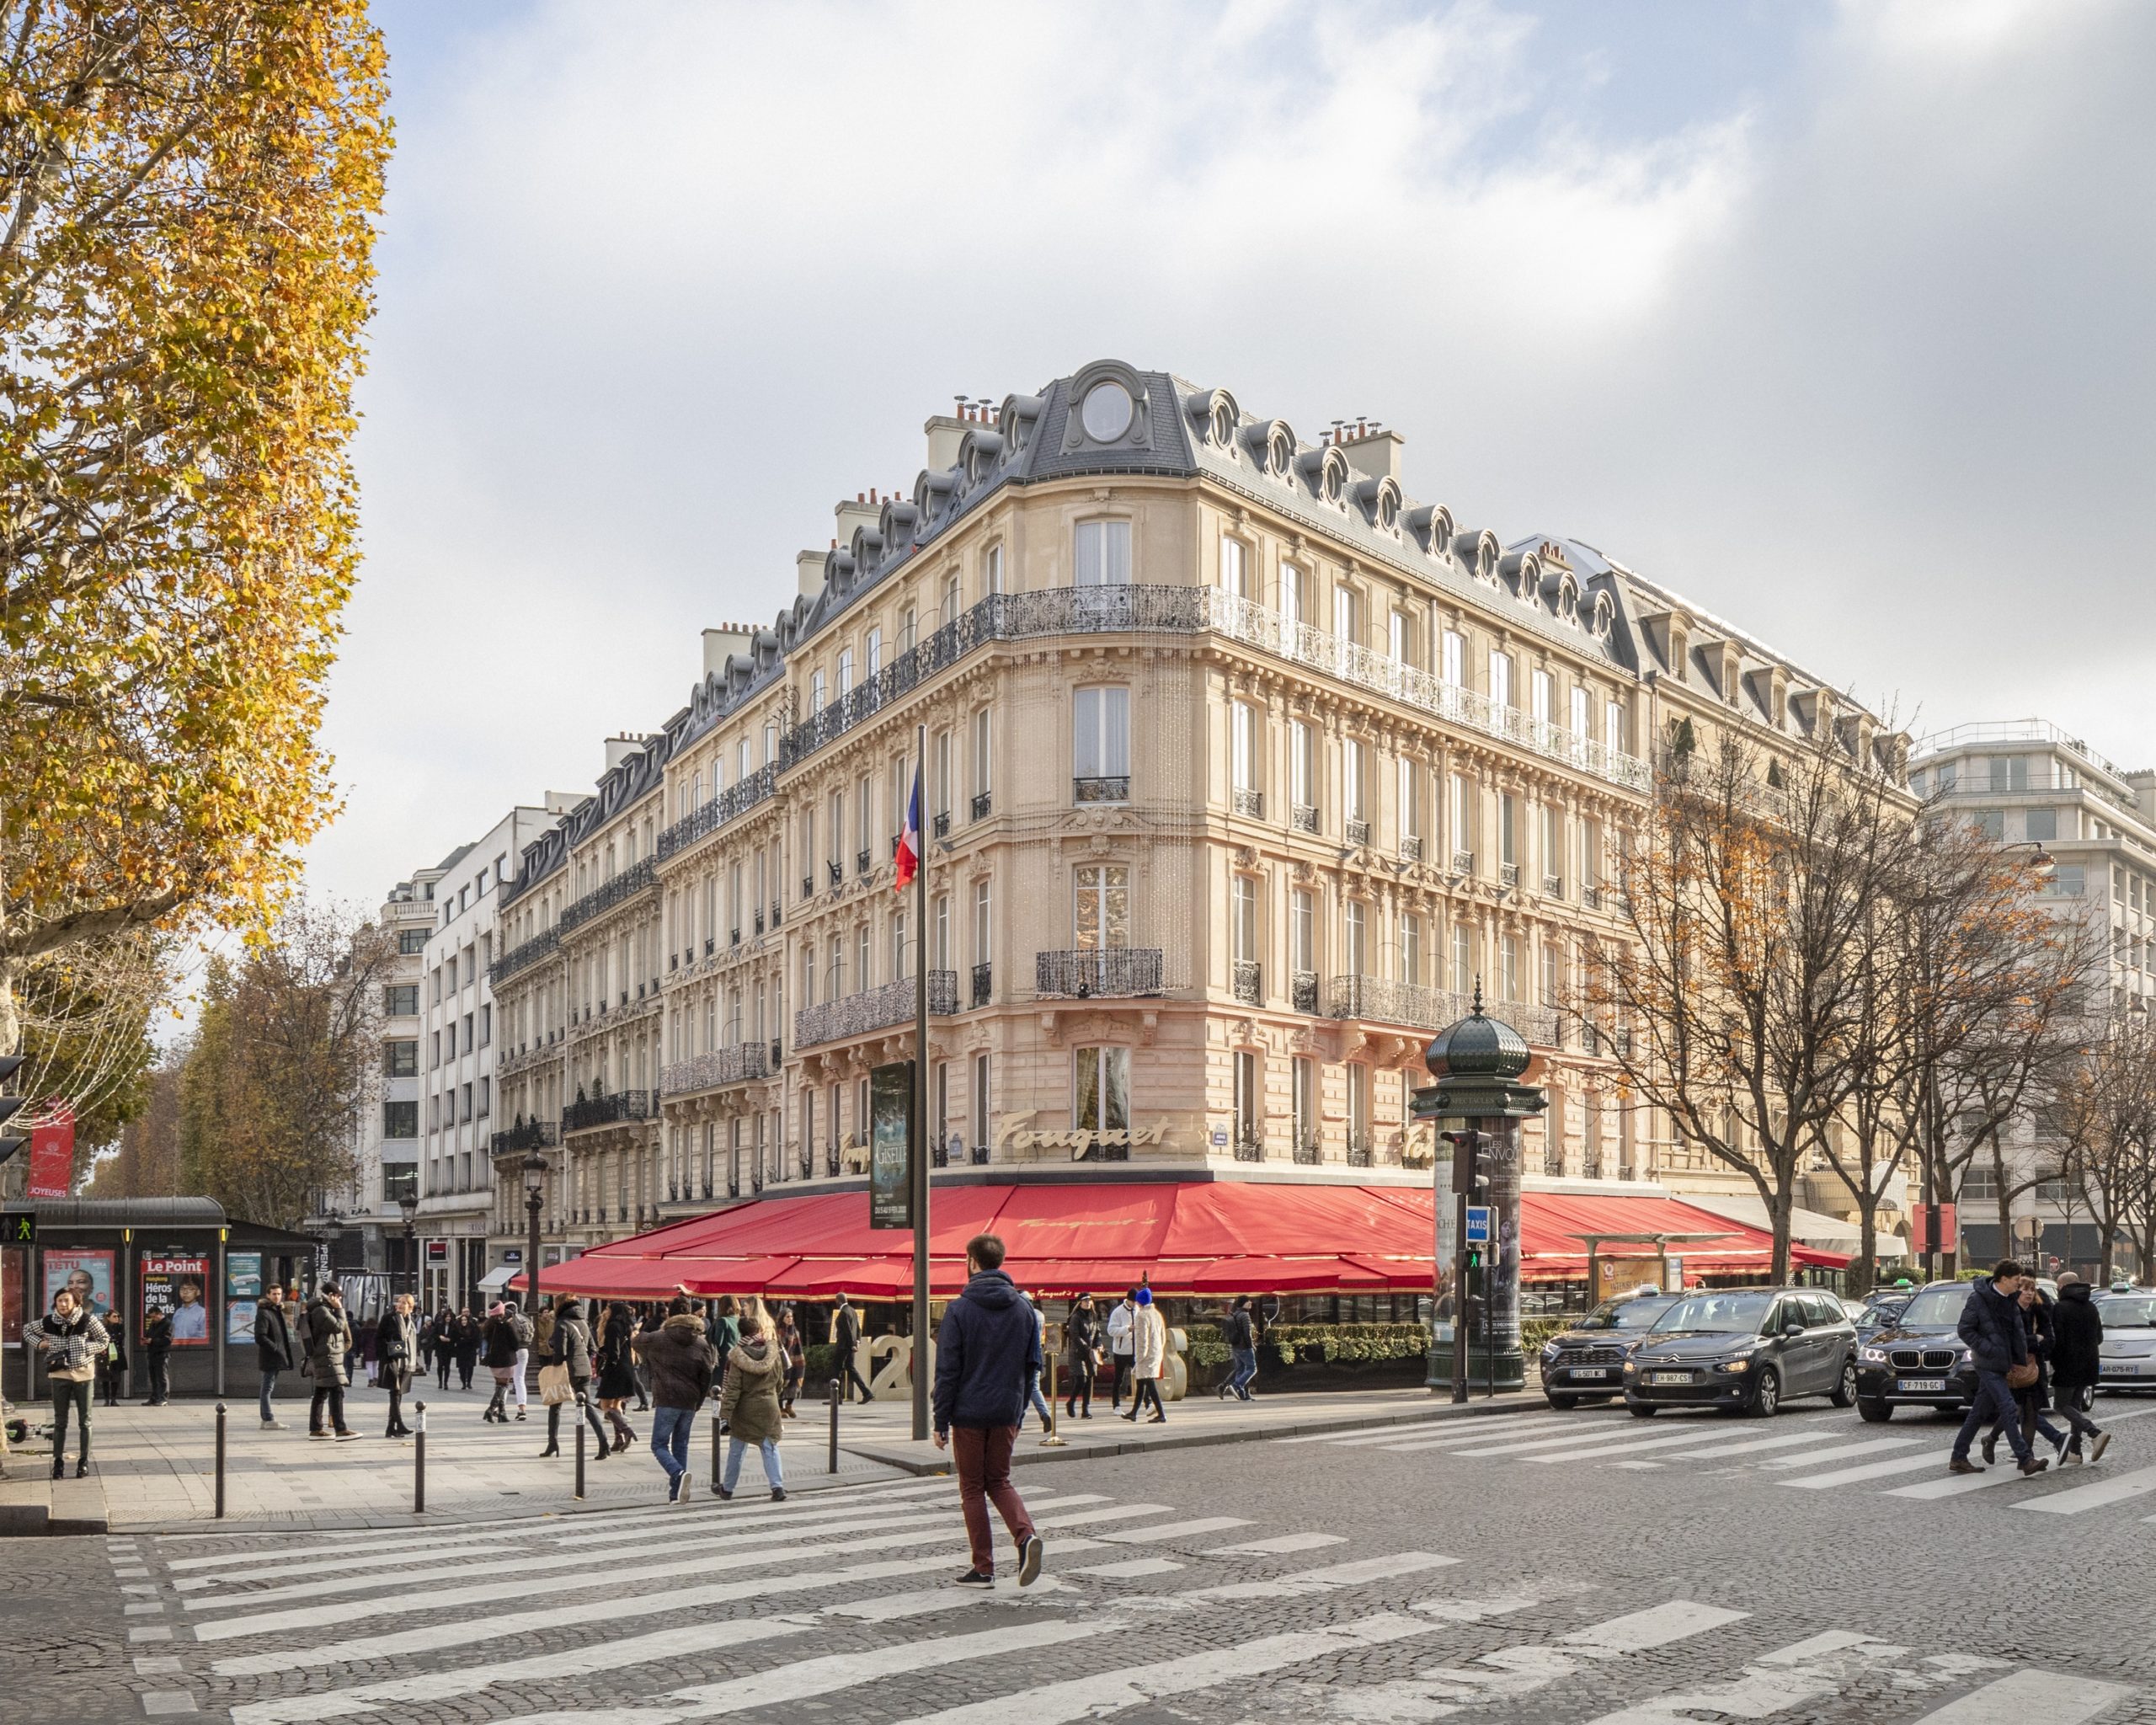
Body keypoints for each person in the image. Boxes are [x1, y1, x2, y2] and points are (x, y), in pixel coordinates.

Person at [931, 1233, 1043, 1589]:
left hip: (969, 1412)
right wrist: (1020, 1413)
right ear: (1001, 1262)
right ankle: (1026, 1538)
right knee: (1000, 1480)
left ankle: (983, 1567)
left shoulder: (960, 1309)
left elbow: (948, 1370)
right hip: (1006, 1410)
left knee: (972, 1488)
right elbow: (1032, 1367)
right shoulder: (1024, 1308)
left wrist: (940, 1420)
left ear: (972, 1262)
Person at [1950, 1261, 2045, 1477]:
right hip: (1987, 1363)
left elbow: (2015, 1331)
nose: (2019, 1285)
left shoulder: (2010, 1299)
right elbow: (1965, 1329)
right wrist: (1989, 1349)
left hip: (2003, 1363)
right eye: (2016, 1281)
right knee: (2009, 1407)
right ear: (2003, 1279)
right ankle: (2025, 1458)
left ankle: (1958, 1456)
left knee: (1978, 1413)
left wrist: (2017, 1357)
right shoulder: (1979, 1299)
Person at [633, 1295, 718, 1503]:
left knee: (659, 1445)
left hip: (667, 1397)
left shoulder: (658, 1338)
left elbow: (636, 1341)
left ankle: (678, 1474)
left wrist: (640, 1330)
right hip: (690, 1400)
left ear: (669, 1315)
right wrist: (698, 1400)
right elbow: (707, 1374)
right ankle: (675, 1493)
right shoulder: (701, 1343)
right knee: (681, 1444)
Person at [24, 1286, 109, 1479]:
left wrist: (85, 1347)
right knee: (60, 1422)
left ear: (76, 1303)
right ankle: (58, 1463)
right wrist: (40, 1343)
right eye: (59, 1300)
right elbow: (27, 1330)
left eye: (66, 1301)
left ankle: (83, 1462)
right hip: (59, 1374)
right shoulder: (48, 1322)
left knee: (85, 1421)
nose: (62, 1304)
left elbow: (104, 1340)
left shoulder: (88, 1320)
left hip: (83, 1374)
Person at [1983, 1280, 2070, 1465]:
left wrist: (2034, 1342)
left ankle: (2026, 1457)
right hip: (2013, 1368)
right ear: (2016, 1291)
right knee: (2015, 1409)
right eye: (2025, 1290)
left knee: (2030, 1411)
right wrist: (2034, 1339)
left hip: (2033, 1368)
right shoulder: (2009, 1311)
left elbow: (2049, 1340)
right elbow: (2011, 1341)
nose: (2029, 1294)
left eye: (2032, 1290)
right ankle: (1992, 1439)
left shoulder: (2039, 1312)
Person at [716, 1313, 787, 1502]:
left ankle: (728, 1488)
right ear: (759, 1330)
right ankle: (777, 1487)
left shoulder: (737, 1357)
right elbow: (780, 1382)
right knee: (770, 1446)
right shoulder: (773, 1353)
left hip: (745, 1408)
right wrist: (772, 1394)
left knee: (737, 1449)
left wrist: (725, 1414)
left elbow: (733, 1389)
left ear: (741, 1332)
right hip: (769, 1404)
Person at [2050, 1272, 2111, 1465]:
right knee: (2075, 1405)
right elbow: (2099, 1337)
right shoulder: (2092, 1307)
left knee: (2060, 1405)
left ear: (2062, 1287)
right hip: (2089, 1363)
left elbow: (2056, 1339)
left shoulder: (2060, 1308)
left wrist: (2052, 1359)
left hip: (2068, 1364)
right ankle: (2075, 1452)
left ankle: (2094, 1432)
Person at [540, 1296, 611, 1460]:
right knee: (587, 1406)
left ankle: (553, 1443)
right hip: (584, 1369)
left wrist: (555, 1359)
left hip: (567, 1370)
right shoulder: (583, 1322)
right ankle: (603, 1442)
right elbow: (593, 1348)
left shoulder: (562, 1324)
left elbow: (560, 1352)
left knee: (555, 1405)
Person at [299, 1280, 360, 1442]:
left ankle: (316, 1429)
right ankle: (341, 1429)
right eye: (339, 1296)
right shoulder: (321, 1311)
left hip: (329, 1356)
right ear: (332, 1296)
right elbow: (338, 1327)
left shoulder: (323, 1309)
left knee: (321, 1392)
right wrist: (340, 1309)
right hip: (327, 1357)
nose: (340, 1300)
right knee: (337, 1391)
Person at [595, 1300, 640, 1454]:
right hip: (627, 1366)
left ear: (613, 1311)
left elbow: (614, 1350)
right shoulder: (626, 1326)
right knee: (617, 1406)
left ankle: (626, 1431)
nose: (605, 1311)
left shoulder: (613, 1325)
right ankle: (618, 1439)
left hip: (615, 1368)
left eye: (607, 1308)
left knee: (605, 1406)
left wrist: (608, 1358)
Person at [252, 1284, 295, 1429]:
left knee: (267, 1387)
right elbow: (260, 1336)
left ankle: (266, 1419)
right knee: (267, 1388)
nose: (277, 1297)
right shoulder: (265, 1312)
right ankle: (268, 1418)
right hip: (270, 1357)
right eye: (274, 1294)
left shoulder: (276, 1311)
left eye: (279, 1294)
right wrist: (275, 1348)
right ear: (268, 1295)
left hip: (275, 1356)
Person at [1123, 1286, 1168, 1423]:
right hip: (1156, 1352)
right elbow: (1163, 1335)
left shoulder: (1141, 1316)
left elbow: (1142, 1340)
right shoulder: (1156, 1314)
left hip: (1146, 1355)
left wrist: (1139, 1357)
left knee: (1149, 1383)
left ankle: (1161, 1414)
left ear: (1140, 1302)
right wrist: (1160, 1349)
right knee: (1141, 1383)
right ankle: (1134, 1412)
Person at [378, 1292, 419, 1439]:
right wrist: (388, 1349)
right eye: (399, 1302)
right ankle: (400, 1424)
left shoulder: (411, 1321)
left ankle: (390, 1428)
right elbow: (379, 1337)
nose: (400, 1305)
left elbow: (412, 1340)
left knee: (398, 1394)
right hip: (392, 1360)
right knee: (395, 1393)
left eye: (404, 1303)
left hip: (406, 1362)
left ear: (410, 1307)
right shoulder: (389, 1318)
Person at [1019, 1295, 1054, 1436]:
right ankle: (1045, 1413)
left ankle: (1018, 1420)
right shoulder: (1040, 1315)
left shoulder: (1022, 1315)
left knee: (1018, 1388)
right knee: (1034, 1388)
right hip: (1037, 1353)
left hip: (1022, 1355)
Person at [1063, 1293, 1101, 1420]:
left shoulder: (1093, 1316)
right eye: (1085, 1301)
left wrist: (1099, 1345)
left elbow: (1097, 1333)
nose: (1088, 1303)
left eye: (1089, 1300)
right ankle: (1071, 1401)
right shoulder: (1076, 1317)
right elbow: (1075, 1335)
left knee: (1089, 1381)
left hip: (1090, 1354)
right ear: (1080, 1303)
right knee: (1081, 1380)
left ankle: (1085, 1410)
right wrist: (1086, 1347)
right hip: (1078, 1353)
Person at [481, 1301, 519, 1423]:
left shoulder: (488, 1326)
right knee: (504, 1385)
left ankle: (502, 1413)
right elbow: (515, 1343)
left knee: (499, 1384)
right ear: (502, 1311)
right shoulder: (506, 1326)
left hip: (493, 1360)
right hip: (506, 1359)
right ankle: (491, 1409)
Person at [830, 1293, 873, 1403]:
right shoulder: (853, 1311)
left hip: (843, 1346)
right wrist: (857, 1341)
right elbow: (858, 1328)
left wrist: (852, 1344)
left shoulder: (843, 1313)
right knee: (851, 1368)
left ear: (838, 1301)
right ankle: (867, 1393)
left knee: (836, 1369)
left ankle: (836, 1398)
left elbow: (847, 1331)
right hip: (850, 1345)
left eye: (836, 1300)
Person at [1220, 1295, 1259, 1402]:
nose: (1250, 1302)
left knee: (1241, 1369)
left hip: (1236, 1346)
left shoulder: (1235, 1314)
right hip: (1244, 1347)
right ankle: (1237, 1386)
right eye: (1248, 1301)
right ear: (1243, 1303)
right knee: (1252, 1368)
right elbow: (1247, 1333)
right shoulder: (1245, 1315)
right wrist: (1251, 1345)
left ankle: (1242, 1395)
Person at [1105, 1289, 1136, 1412]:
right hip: (1121, 1351)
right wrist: (1127, 1329)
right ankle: (1116, 1405)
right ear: (1128, 1299)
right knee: (1119, 1378)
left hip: (1135, 1350)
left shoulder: (1138, 1310)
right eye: (1133, 1301)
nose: (1134, 1304)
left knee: (1142, 1377)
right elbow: (1111, 1330)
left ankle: (1147, 1402)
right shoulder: (1118, 1312)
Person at [776, 1303, 807, 1419]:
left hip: (796, 1360)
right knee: (782, 1383)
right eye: (787, 1317)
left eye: (791, 1317)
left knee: (796, 1382)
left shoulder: (795, 1330)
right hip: (783, 1361)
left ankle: (789, 1405)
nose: (790, 1319)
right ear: (782, 1318)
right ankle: (780, 1408)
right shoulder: (779, 1331)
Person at [141, 1303, 174, 1407]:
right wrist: (146, 1339)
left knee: (162, 1377)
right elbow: (149, 1334)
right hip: (152, 1353)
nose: (153, 1319)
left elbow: (167, 1340)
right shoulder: (153, 1324)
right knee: (153, 1377)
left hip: (162, 1353)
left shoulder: (168, 1324)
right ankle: (154, 1397)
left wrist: (153, 1341)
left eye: (154, 1317)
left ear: (160, 1314)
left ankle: (164, 1398)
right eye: (151, 1317)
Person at [506, 1297, 534, 1420]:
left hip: (511, 1351)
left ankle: (499, 1407)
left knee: (504, 1381)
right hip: (524, 1350)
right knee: (520, 1379)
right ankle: (522, 1409)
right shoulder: (525, 1319)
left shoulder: (508, 1321)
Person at [99, 1315, 127, 1408]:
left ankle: (114, 1399)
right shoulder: (102, 1327)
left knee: (116, 1377)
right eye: (114, 1316)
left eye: (118, 1316)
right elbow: (99, 1338)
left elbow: (120, 1337)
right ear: (108, 1318)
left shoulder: (120, 1326)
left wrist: (111, 1339)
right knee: (105, 1378)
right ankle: (106, 1399)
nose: (117, 1318)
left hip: (117, 1355)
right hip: (106, 1354)